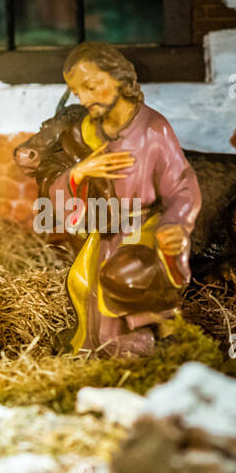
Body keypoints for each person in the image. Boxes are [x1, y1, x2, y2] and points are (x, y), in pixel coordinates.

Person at [47, 42, 201, 356]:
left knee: (120, 277)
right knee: (80, 282)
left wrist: (176, 225)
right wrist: (79, 174)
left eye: (92, 87)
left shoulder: (153, 130)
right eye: (78, 93)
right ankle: (95, 345)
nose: (85, 99)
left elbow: (182, 186)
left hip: (144, 228)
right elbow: (59, 183)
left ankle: (142, 342)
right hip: (106, 227)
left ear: (119, 78)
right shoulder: (87, 131)